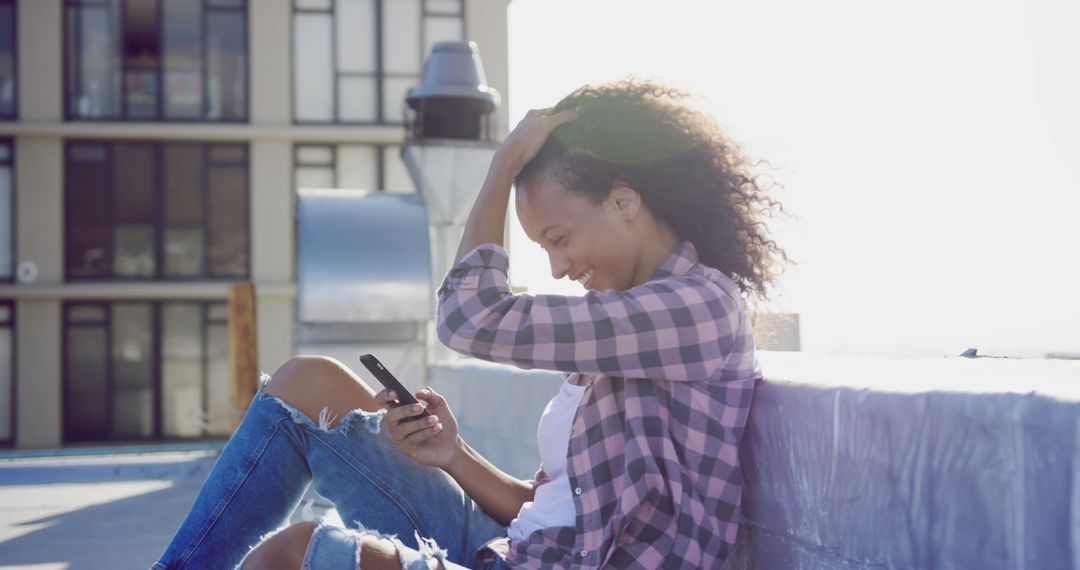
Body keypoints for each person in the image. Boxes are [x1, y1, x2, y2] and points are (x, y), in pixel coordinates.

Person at [152, 79, 789, 570]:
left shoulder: (691, 310)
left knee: (296, 554)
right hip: (517, 545)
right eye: (545, 249)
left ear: (623, 200)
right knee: (307, 383)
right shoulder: (624, 320)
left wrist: (501, 168)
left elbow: (469, 318)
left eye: (559, 238)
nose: (560, 267)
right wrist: (451, 455)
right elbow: (545, 509)